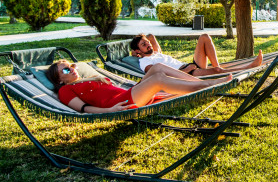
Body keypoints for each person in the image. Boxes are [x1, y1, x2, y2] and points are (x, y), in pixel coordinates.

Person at [46, 59, 233, 114]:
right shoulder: (65, 90)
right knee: (158, 78)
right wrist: (110, 111)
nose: (72, 69)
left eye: (71, 66)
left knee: (158, 68)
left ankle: (199, 83)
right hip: (124, 102)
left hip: (130, 92)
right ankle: (206, 85)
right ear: (59, 80)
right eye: (66, 70)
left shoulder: (87, 80)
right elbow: (84, 108)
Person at [130, 33, 263, 77]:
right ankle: (249, 67)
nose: (148, 44)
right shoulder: (145, 62)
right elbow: (156, 75)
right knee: (216, 71)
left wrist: (141, 44)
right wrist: (185, 71)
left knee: (204, 37)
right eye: (144, 44)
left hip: (189, 66)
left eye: (148, 43)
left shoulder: (156, 52)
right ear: (138, 51)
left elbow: (151, 36)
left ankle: (218, 69)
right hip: (185, 73)